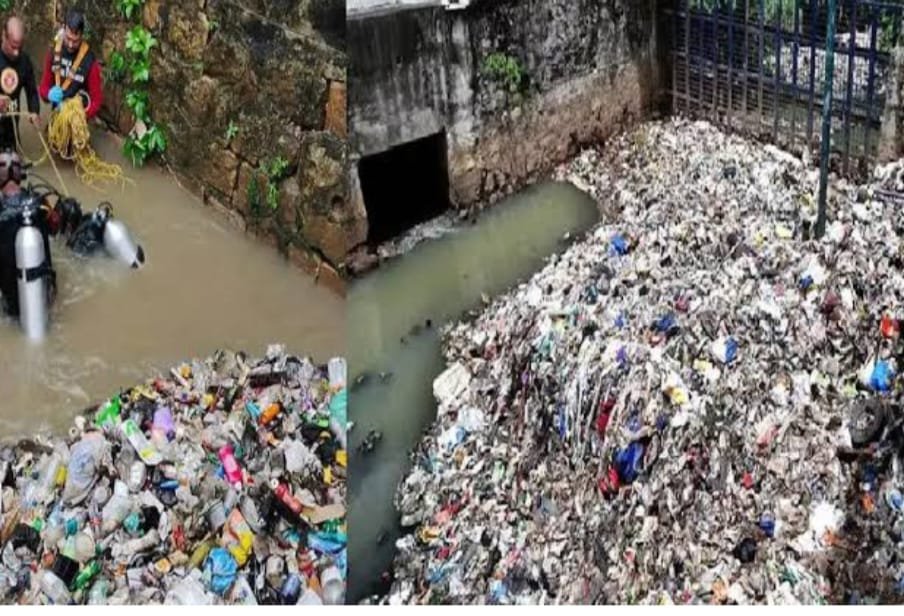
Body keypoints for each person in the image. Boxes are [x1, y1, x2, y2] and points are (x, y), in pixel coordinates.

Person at [38, 9, 102, 121]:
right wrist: (48, 94)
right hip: (57, 117)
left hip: (78, 120)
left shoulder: (90, 61)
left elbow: (96, 101)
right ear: (63, 29)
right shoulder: (54, 53)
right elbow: (43, 87)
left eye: (76, 41)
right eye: (68, 39)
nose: (71, 45)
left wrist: (79, 116)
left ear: (82, 35)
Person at [0, 17, 40, 152]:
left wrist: (34, 111)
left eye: (19, 47)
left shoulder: (24, 61)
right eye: (12, 46)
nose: (16, 52)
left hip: (11, 122)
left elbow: (32, 91)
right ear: (3, 36)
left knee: (10, 163)